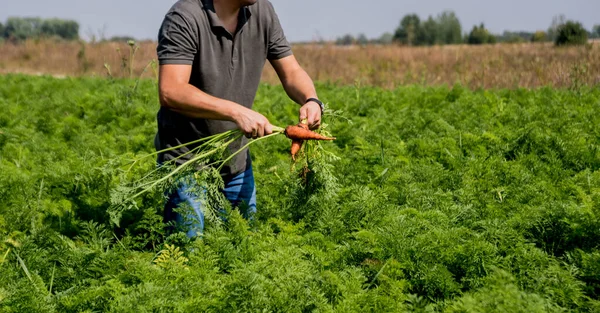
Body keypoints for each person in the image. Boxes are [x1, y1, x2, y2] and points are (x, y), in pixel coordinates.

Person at [155, 0, 324, 237]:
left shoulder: (262, 11)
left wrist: (311, 99)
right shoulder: (185, 17)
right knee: (187, 258)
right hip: (187, 164)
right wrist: (236, 111)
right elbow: (171, 90)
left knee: (242, 251)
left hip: (236, 162)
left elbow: (292, 71)